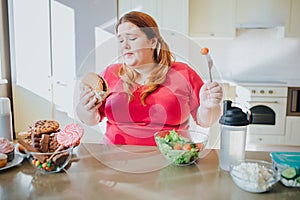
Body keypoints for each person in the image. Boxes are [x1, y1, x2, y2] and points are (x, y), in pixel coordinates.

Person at [76, 11, 223, 146]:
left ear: (153, 41)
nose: (125, 46)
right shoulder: (110, 73)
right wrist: (85, 109)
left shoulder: (183, 73)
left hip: (172, 157)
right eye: (120, 40)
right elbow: (92, 120)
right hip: (115, 158)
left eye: (132, 38)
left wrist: (208, 107)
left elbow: (205, 121)